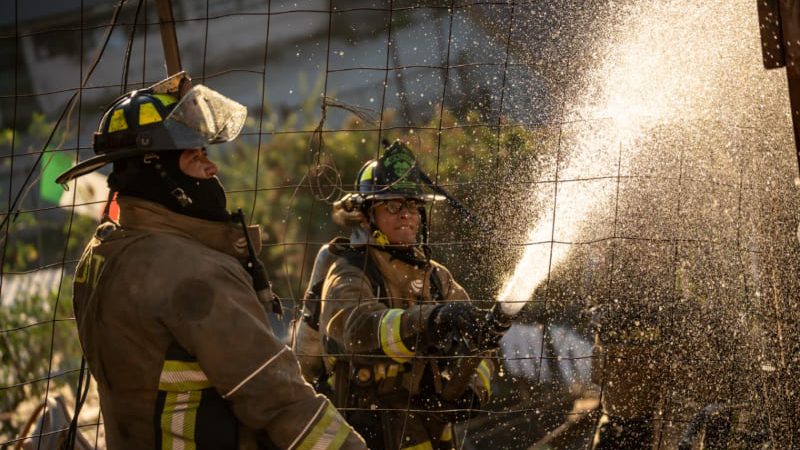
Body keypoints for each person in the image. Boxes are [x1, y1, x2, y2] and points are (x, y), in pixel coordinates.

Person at [56, 73, 366, 450]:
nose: (211, 169)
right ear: (158, 169)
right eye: (194, 156)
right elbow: (275, 396)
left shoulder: (105, 250)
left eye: (206, 153)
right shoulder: (192, 272)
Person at [308, 141, 508, 450]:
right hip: (366, 432)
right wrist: (431, 321)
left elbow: (482, 347)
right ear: (365, 216)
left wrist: (472, 385)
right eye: (393, 206)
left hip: (431, 434)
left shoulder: (438, 278)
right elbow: (358, 330)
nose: (407, 215)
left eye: (413, 206)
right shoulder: (350, 271)